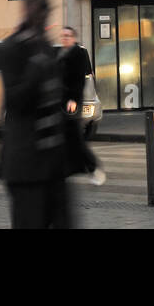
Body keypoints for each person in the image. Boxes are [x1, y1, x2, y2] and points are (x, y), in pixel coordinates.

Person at [0, 0, 69, 229]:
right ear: (27, 9)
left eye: (47, 10)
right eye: (40, 8)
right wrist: (35, 72)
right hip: (25, 167)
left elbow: (55, 101)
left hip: (53, 165)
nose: (44, 15)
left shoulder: (47, 47)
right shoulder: (11, 48)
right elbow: (14, 102)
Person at [58, 26, 105, 186]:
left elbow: (79, 80)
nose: (64, 38)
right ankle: (66, 170)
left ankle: (92, 168)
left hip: (71, 102)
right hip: (63, 101)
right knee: (67, 137)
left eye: (67, 36)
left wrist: (72, 100)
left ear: (73, 37)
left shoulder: (77, 53)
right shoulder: (64, 54)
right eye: (63, 36)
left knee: (75, 138)